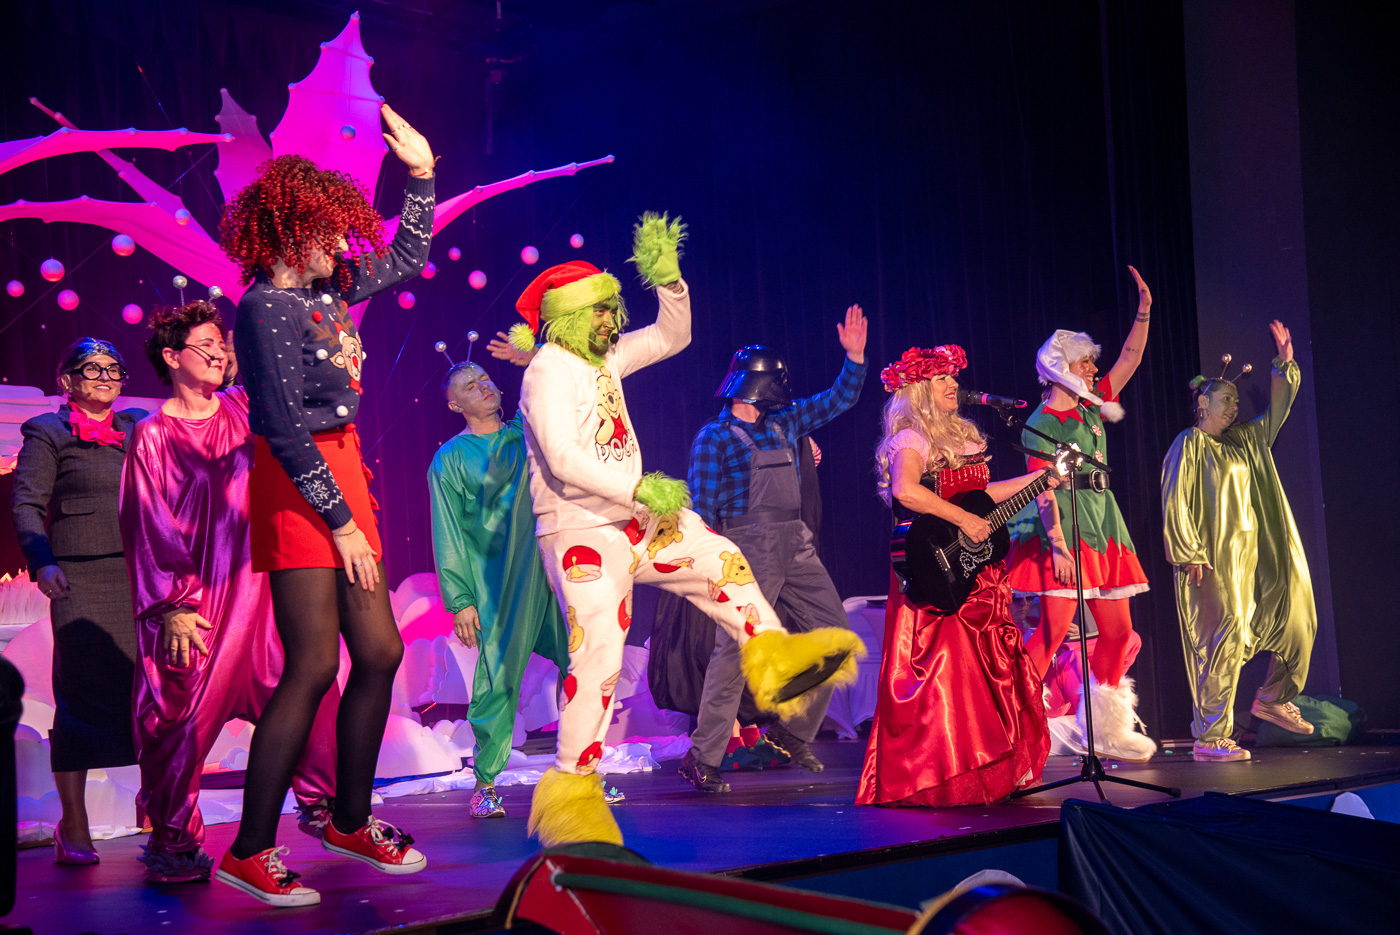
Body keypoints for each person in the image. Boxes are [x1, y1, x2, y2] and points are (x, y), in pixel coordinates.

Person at [508, 213, 863, 845]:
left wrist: (669, 284)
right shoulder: (547, 371)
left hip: (636, 518)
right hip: (581, 530)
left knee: (718, 556)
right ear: (568, 317)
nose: (610, 323)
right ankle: (572, 791)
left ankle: (775, 658)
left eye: (612, 311)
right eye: (599, 313)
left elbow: (673, 336)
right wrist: (638, 489)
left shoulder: (606, 359)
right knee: (599, 658)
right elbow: (562, 457)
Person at [216, 103, 434, 907]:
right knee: (312, 663)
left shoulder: (331, 284)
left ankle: (348, 819)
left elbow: (407, 255)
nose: (345, 245)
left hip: (343, 467)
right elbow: (277, 423)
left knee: (378, 652)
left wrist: (421, 174)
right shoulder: (262, 307)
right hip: (297, 475)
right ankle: (249, 849)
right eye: (331, 231)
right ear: (290, 229)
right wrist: (338, 522)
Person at [119, 302, 338, 884]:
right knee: (178, 718)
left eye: (222, 345)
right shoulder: (152, 434)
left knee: (310, 687)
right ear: (172, 357)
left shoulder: (244, 408)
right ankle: (172, 841)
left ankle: (323, 804)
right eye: (206, 346)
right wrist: (172, 604)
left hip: (264, 591)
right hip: (197, 602)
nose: (218, 354)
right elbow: (146, 521)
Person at [857, 344, 1051, 807]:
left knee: (989, 670)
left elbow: (982, 496)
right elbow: (907, 491)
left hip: (977, 570)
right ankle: (944, 773)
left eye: (953, 377)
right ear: (918, 389)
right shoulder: (911, 437)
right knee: (949, 675)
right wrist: (964, 520)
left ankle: (995, 769)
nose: (953, 385)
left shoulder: (962, 437)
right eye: (941, 378)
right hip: (936, 573)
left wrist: (1040, 479)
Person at [679, 321, 867, 792]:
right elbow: (703, 511)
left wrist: (854, 359)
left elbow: (837, 400)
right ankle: (703, 755)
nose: (784, 390)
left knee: (837, 637)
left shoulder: (784, 422)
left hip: (795, 544)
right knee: (734, 653)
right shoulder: (714, 438)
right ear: (756, 384)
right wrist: (711, 568)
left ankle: (789, 732)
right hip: (745, 548)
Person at [1004, 266, 1156, 762]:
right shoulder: (1041, 422)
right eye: (1085, 361)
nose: (1093, 368)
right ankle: (1013, 727)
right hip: (1063, 527)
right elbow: (1042, 490)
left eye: (1092, 361)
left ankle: (1104, 727)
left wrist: (1144, 310)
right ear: (1060, 368)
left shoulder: (1093, 408)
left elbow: (1131, 358)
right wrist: (1058, 547)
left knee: (1118, 633)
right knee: (1051, 635)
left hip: (1103, 522)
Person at [11, 337, 147, 864]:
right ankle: (74, 825)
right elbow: (27, 504)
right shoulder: (47, 431)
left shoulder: (137, 426)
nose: (105, 376)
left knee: (148, 691)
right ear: (66, 380)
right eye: (91, 368)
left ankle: (159, 809)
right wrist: (42, 560)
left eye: (113, 368)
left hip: (140, 573)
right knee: (82, 696)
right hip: (79, 578)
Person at [1161, 321, 1316, 762]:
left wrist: (1283, 366)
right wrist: (1188, 550)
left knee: (1297, 616)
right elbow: (1175, 498)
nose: (1233, 408)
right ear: (1203, 403)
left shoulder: (1245, 441)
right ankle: (1211, 737)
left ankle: (1273, 698)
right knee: (1223, 641)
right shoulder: (1190, 443)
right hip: (1214, 560)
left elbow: (1276, 413)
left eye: (1235, 401)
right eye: (1225, 400)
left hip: (1254, 559)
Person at [428, 359, 570, 819]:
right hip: (499, 583)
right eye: (470, 386)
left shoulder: (524, 434)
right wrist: (461, 601)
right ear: (455, 405)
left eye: (486, 379)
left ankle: (584, 771)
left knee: (584, 664)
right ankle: (485, 783)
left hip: (552, 570)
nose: (484, 386)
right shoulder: (451, 459)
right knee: (498, 680)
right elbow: (448, 531)